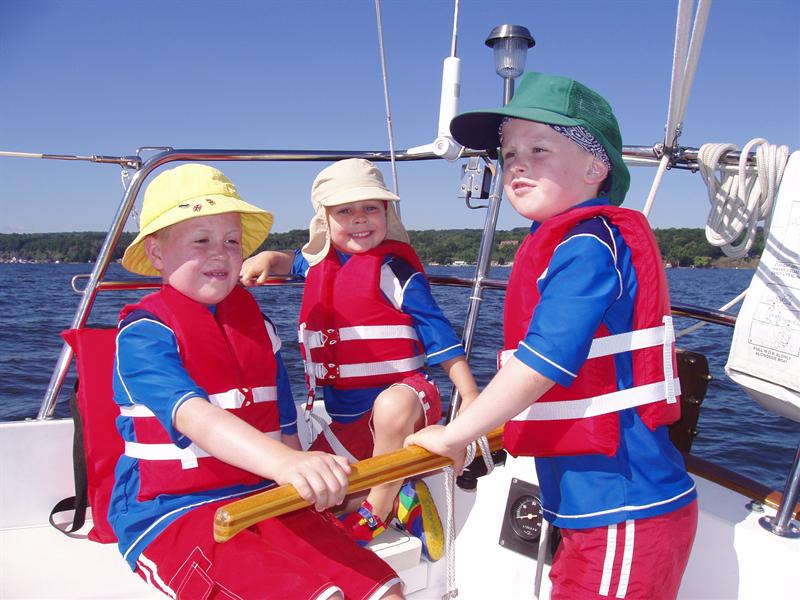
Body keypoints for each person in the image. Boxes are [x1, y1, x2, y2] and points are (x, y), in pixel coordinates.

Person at [405, 72, 698, 600]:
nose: (516, 162)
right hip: (594, 508)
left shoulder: (590, 246)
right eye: (508, 151)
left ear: (595, 166)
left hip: (624, 508)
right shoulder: (564, 242)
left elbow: (544, 360)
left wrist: (454, 435)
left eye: (539, 148)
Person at [110, 163, 403, 600]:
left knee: (382, 591)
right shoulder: (143, 335)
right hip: (174, 513)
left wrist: (305, 478)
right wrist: (289, 467)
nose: (220, 253)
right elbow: (196, 417)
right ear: (156, 253)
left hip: (268, 495)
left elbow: (284, 428)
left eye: (232, 241)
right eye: (201, 240)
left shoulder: (257, 328)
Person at [240, 158, 479, 560]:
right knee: (319, 496)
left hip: (409, 402)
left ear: (387, 213)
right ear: (326, 219)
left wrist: (470, 395)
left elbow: (438, 332)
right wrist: (267, 258)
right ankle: (406, 495)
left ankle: (381, 506)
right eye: (345, 211)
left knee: (390, 407)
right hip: (348, 420)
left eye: (371, 208)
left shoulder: (396, 270)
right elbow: (291, 260)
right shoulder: (318, 263)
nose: (359, 219)